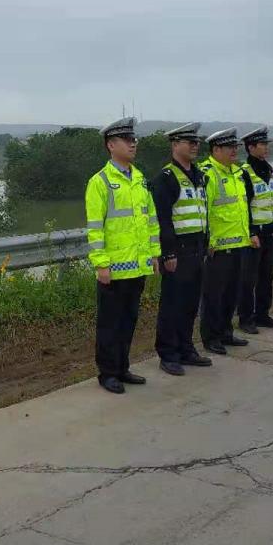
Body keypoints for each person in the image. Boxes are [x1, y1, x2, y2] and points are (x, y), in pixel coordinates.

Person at [85, 116, 161, 394]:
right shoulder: (100, 182)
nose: (133, 144)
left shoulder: (139, 179)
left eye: (134, 140)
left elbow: (151, 221)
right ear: (111, 144)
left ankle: (123, 367)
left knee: (129, 320)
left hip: (138, 266)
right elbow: (95, 228)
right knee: (109, 324)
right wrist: (101, 264)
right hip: (113, 270)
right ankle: (107, 373)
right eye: (127, 140)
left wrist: (154, 254)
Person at [151, 123, 214, 376]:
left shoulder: (199, 175)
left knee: (190, 303)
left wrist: (207, 243)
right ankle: (168, 354)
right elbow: (163, 220)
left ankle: (187, 349)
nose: (195, 146)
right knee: (172, 304)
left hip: (197, 250)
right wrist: (168, 253)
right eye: (189, 141)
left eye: (197, 142)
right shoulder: (166, 179)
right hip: (178, 253)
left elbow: (202, 213)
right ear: (175, 145)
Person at [199, 128, 260, 355]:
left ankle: (226, 331)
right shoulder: (208, 174)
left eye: (235, 147)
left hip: (239, 244)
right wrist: (209, 242)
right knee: (214, 295)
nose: (235, 150)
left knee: (232, 293)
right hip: (218, 247)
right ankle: (211, 337)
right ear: (216, 150)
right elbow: (203, 211)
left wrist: (248, 235)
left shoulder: (237, 173)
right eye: (229, 147)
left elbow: (243, 208)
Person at [237, 125, 273, 332]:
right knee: (249, 279)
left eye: (266, 144)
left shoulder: (267, 169)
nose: (266, 148)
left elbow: (272, 200)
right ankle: (246, 318)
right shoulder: (245, 173)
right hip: (254, 235)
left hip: (269, 232)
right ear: (250, 147)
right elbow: (244, 205)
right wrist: (251, 232)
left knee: (266, 276)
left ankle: (263, 314)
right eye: (262, 144)